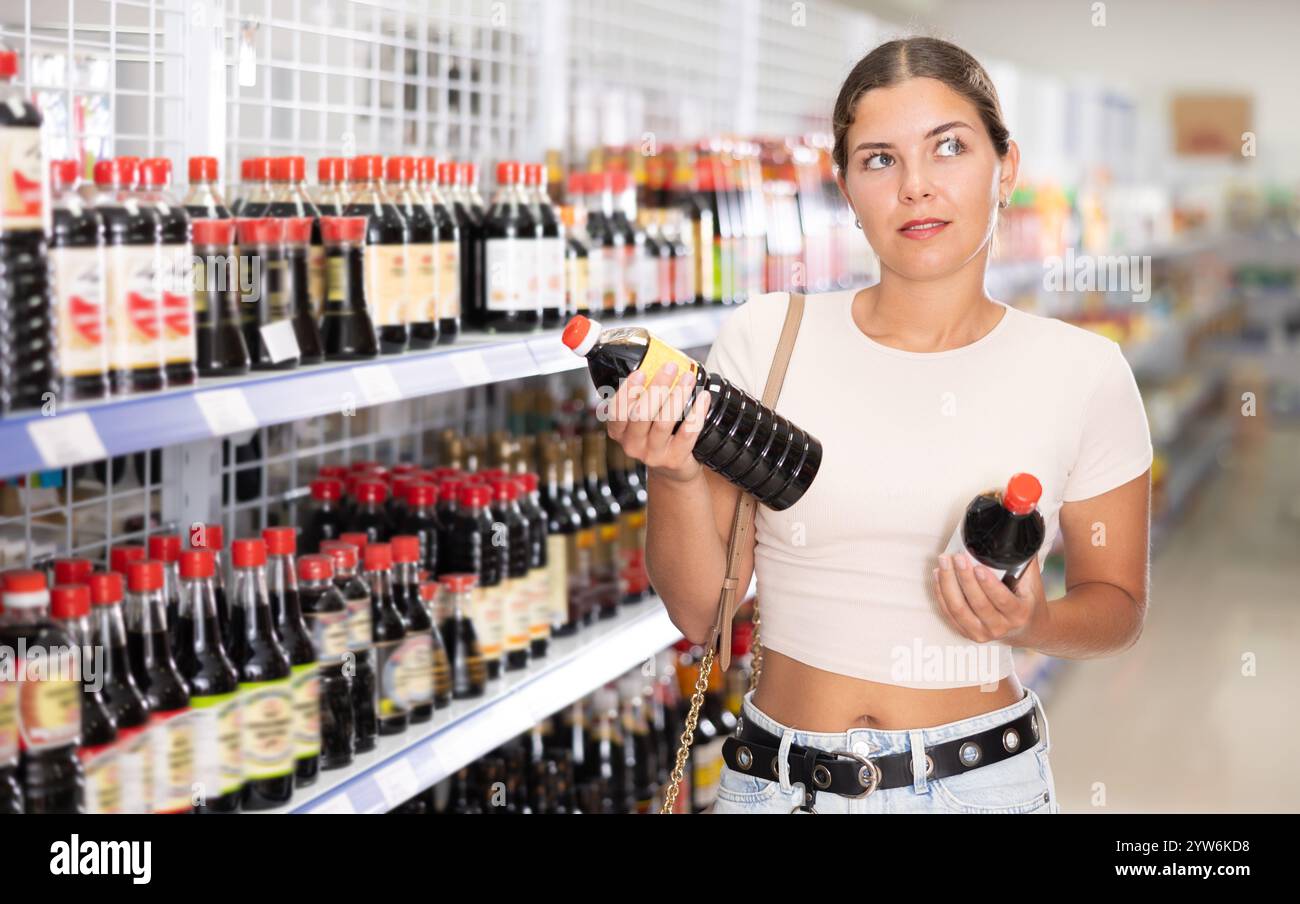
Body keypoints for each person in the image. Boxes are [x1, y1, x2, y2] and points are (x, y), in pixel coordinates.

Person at [603, 36, 1153, 814]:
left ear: (1008, 169)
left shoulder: (1084, 372)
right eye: (879, 160)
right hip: (779, 783)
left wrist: (1036, 620)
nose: (916, 188)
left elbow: (1118, 607)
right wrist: (672, 471)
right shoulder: (769, 338)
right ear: (846, 188)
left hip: (980, 788)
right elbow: (702, 614)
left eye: (950, 148)